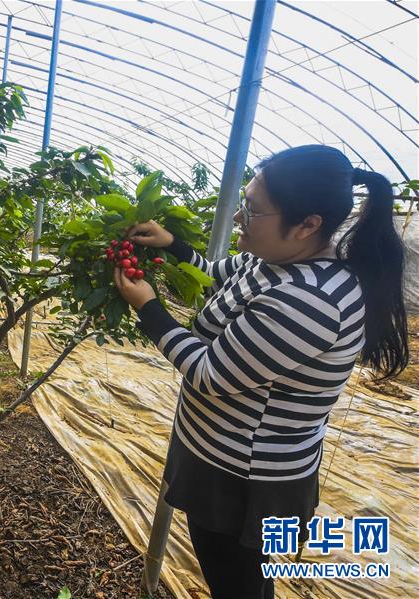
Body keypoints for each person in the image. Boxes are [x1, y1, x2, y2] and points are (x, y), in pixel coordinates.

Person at [115, 145, 408, 599]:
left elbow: (210, 373)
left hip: (244, 476)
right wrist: (174, 246)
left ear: (307, 224)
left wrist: (149, 308)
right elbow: (218, 275)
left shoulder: (310, 301)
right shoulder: (274, 258)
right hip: (221, 451)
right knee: (234, 575)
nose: (237, 219)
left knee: (238, 583)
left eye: (252, 210)